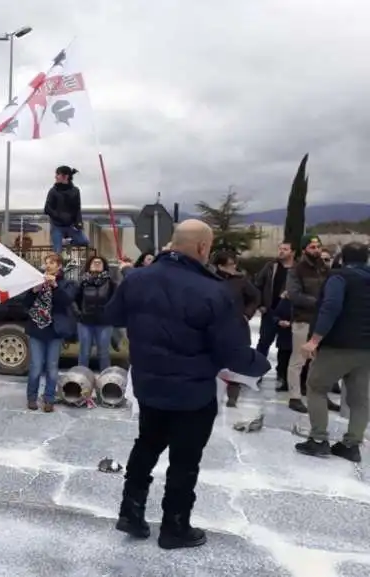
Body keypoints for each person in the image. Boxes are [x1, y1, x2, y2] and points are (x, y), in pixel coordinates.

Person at [104, 220, 269, 550]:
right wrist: (260, 364)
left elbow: (113, 316)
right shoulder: (213, 291)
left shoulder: (137, 279)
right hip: (192, 394)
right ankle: (175, 527)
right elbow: (232, 352)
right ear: (203, 248)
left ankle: (131, 512)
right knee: (184, 460)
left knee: (147, 444)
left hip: (150, 385)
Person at [295, 242, 370, 463]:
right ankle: (352, 445)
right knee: (360, 399)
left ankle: (318, 440)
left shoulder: (339, 277)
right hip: (366, 349)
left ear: (342, 258)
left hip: (338, 345)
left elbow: (331, 306)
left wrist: (314, 340)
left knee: (316, 387)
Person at [22, 252, 77, 412]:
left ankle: (49, 399)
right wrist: (33, 291)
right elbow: (26, 304)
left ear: (59, 266)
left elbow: (66, 301)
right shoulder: (37, 281)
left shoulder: (66, 283)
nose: (48, 265)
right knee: (36, 366)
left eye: (52, 263)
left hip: (55, 330)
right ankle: (32, 398)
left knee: (52, 367)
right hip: (37, 329)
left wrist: (55, 287)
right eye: (46, 262)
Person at [285, 234, 330, 414]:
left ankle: (318, 395)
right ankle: (294, 396)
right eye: (312, 247)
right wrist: (319, 302)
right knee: (298, 360)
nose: (317, 250)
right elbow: (294, 295)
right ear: (304, 249)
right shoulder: (296, 270)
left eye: (318, 246)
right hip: (303, 319)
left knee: (319, 362)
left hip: (322, 321)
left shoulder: (325, 269)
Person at [211, 250, 261, 407]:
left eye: (235, 264)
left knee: (236, 362)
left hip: (237, 328)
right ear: (220, 266)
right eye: (231, 265)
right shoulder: (210, 280)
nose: (234, 267)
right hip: (215, 328)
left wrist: (247, 314)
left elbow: (255, 297)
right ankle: (213, 394)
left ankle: (233, 395)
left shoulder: (240, 281)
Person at [253, 242, 295, 383]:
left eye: (285, 249)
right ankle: (256, 372)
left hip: (288, 314)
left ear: (292, 252)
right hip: (270, 311)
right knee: (264, 342)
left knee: (285, 347)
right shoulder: (271, 266)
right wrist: (260, 305)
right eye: (280, 249)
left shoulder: (297, 269)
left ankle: (282, 375)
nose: (281, 252)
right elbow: (258, 284)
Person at [73, 255, 117, 370]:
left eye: (99, 263)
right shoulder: (82, 282)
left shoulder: (110, 282)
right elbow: (74, 299)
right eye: (94, 262)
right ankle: (81, 379)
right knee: (84, 352)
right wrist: (78, 313)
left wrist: (110, 314)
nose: (97, 264)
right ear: (89, 266)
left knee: (103, 353)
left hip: (104, 322)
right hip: (85, 322)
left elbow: (115, 300)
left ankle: (106, 381)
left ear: (104, 267)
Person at [44, 165, 89, 254]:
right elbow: (47, 209)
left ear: (66, 176)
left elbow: (77, 208)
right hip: (57, 226)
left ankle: (67, 242)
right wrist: (60, 216)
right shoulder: (53, 191)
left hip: (71, 225)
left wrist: (79, 222)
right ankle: (58, 262)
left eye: (58, 174)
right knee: (57, 251)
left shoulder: (75, 191)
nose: (55, 176)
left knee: (84, 241)